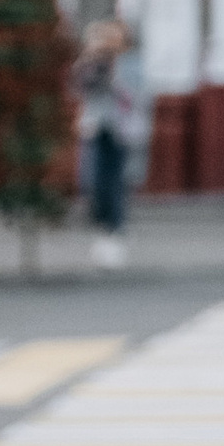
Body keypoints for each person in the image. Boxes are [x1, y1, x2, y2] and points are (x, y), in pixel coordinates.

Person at [72, 17, 146, 270]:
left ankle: (115, 232)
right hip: (95, 130)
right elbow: (80, 87)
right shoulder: (91, 65)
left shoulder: (130, 65)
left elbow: (133, 94)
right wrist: (93, 61)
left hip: (121, 132)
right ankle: (104, 228)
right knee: (91, 180)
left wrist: (114, 72)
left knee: (113, 182)